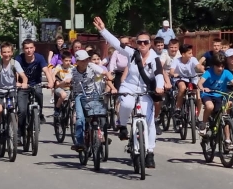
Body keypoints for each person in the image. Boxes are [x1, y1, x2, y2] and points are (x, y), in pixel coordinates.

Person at [95, 16, 164, 169]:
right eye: (140, 42)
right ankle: (123, 126)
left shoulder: (154, 58)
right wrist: (103, 30)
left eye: (146, 42)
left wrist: (159, 86)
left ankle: (150, 152)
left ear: (150, 43)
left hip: (146, 91)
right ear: (136, 43)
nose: (143, 45)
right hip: (129, 86)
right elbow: (116, 43)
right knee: (126, 104)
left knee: (149, 121)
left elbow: (159, 74)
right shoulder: (132, 53)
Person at [57, 50, 107, 150]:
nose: (85, 62)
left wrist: (107, 75)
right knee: (80, 119)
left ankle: (100, 135)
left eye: (86, 59)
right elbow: (62, 83)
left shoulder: (92, 66)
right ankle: (80, 142)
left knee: (99, 115)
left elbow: (104, 72)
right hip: (79, 96)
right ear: (77, 62)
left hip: (93, 94)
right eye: (82, 60)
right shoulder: (73, 71)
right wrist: (64, 82)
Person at [198, 53, 233, 150]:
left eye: (222, 66)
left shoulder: (227, 73)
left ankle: (227, 140)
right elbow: (200, 83)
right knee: (210, 107)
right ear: (213, 65)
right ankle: (204, 124)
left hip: (220, 96)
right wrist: (203, 88)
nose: (220, 68)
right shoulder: (209, 72)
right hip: (207, 95)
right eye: (218, 66)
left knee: (224, 117)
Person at [0, 41, 27, 144]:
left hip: (12, 91)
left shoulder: (15, 63)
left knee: (14, 111)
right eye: (4, 52)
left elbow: (24, 76)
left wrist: (24, 83)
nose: (7, 54)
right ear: (1, 53)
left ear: (12, 52)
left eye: (9, 52)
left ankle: (15, 132)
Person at [15, 38, 54, 136]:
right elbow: (16, 73)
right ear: (23, 49)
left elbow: (46, 70)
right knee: (22, 110)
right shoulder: (19, 59)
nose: (29, 50)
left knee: (38, 93)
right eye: (26, 48)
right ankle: (20, 132)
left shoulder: (39, 58)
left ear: (34, 48)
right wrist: (16, 83)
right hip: (23, 86)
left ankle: (40, 113)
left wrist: (50, 82)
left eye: (31, 48)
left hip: (36, 83)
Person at [169, 44, 203, 116]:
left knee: (198, 98)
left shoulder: (193, 59)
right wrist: (173, 74)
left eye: (191, 53)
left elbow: (198, 66)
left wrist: (203, 70)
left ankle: (196, 116)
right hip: (180, 78)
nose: (191, 55)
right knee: (182, 87)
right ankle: (178, 108)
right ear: (183, 54)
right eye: (189, 53)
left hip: (192, 79)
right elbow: (171, 71)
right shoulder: (176, 61)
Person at [52, 51, 73, 119]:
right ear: (62, 60)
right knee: (63, 95)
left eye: (70, 60)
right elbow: (53, 74)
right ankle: (57, 109)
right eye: (66, 60)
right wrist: (55, 81)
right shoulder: (59, 67)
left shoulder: (72, 68)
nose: (68, 62)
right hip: (59, 87)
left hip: (69, 88)